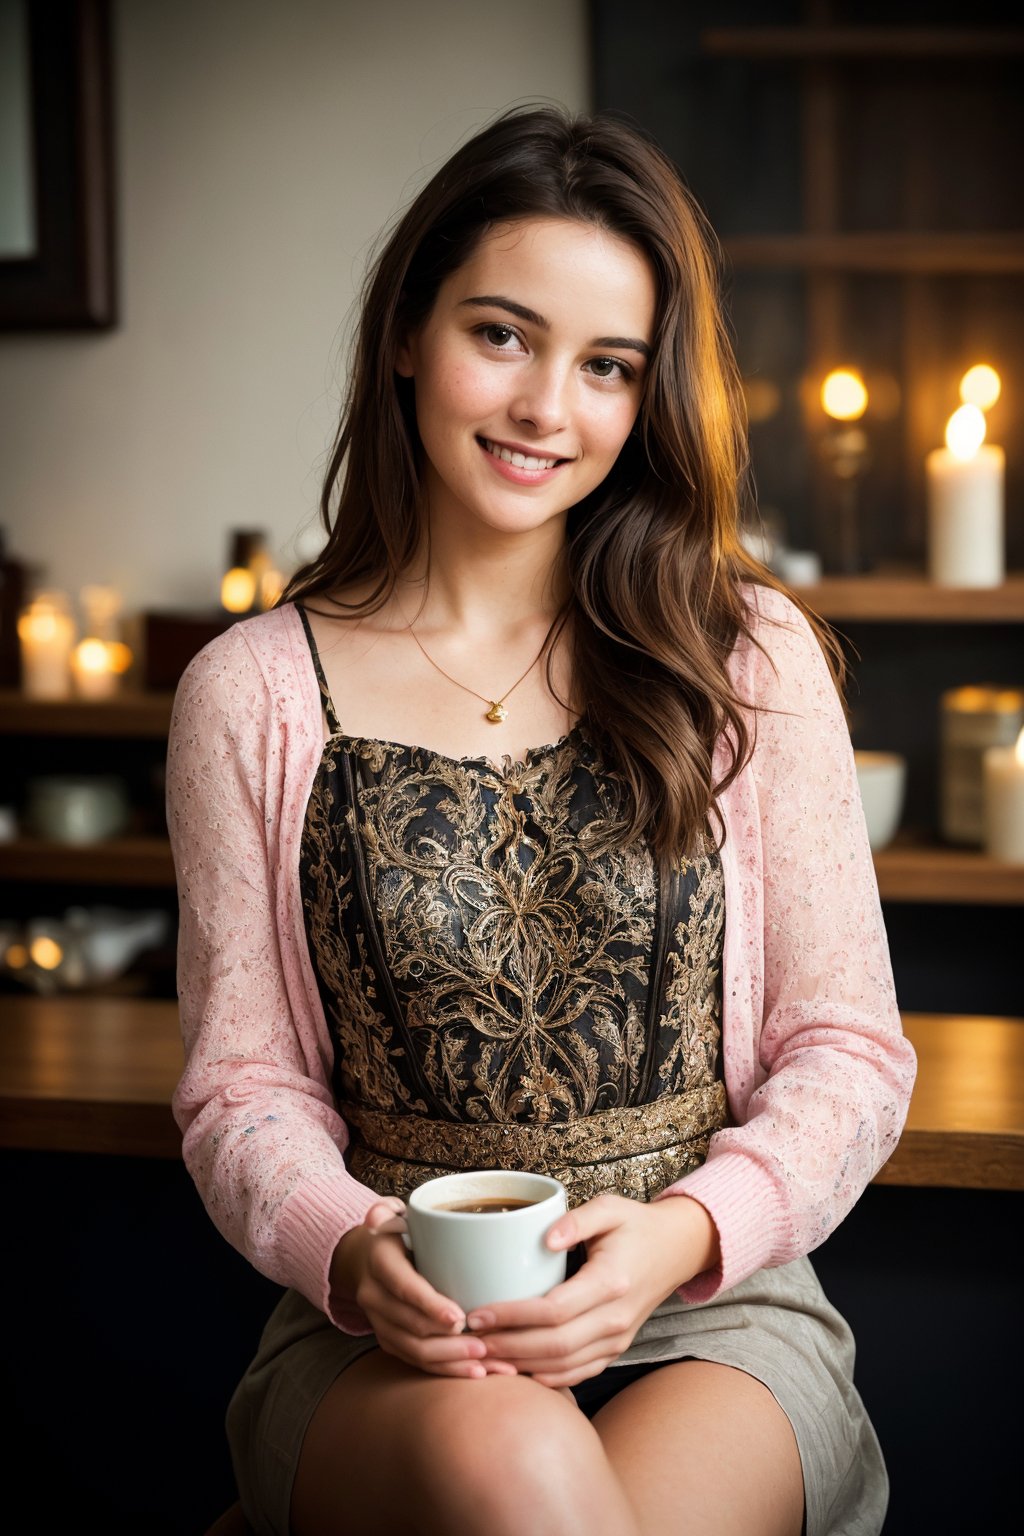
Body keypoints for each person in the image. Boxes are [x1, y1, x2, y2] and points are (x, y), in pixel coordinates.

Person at [167, 103, 916, 1536]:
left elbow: (849, 1050)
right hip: (394, 1332)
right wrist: (349, 1245)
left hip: (710, 1308)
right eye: (501, 335)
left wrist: (690, 1235)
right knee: (519, 1479)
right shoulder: (249, 695)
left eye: (608, 367)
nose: (545, 409)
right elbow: (237, 1088)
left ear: (648, 398)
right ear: (407, 331)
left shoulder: (742, 656)